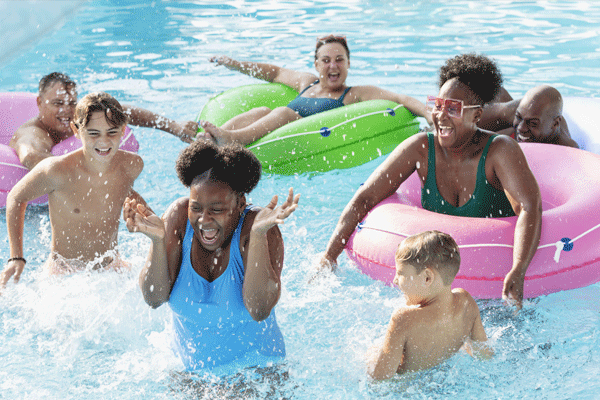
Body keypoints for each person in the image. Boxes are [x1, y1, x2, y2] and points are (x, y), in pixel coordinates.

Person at [319, 53, 542, 308]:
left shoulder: (499, 151)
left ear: (477, 115)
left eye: (453, 108)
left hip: (492, 285)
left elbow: (528, 207)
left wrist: (519, 269)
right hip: (436, 286)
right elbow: (366, 196)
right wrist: (329, 256)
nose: (441, 116)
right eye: (437, 105)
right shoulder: (421, 149)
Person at [123, 139, 300, 371]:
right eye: (196, 208)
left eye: (216, 210)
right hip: (190, 376)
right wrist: (156, 241)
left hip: (256, 373)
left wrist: (258, 236)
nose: (204, 220)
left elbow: (259, 310)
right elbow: (154, 298)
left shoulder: (258, 228)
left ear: (240, 203)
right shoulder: (178, 218)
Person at [1, 92, 147, 286]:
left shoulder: (131, 165)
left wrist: (142, 214)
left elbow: (120, 191)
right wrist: (16, 257)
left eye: (112, 132)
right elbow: (15, 197)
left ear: (122, 130)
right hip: (64, 271)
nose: (104, 141)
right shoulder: (57, 170)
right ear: (76, 130)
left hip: (111, 265)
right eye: (93, 133)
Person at [199, 35, 432, 145]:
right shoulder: (306, 82)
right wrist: (234, 64)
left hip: (299, 138)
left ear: (348, 64)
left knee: (283, 113)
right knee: (263, 109)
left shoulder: (353, 94)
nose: (333, 66)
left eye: (340, 59)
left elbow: (401, 98)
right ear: (316, 64)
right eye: (326, 60)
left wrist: (429, 115)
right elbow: (274, 73)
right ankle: (212, 138)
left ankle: (231, 138)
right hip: (268, 133)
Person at [367, 231, 493, 380]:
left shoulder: (404, 319)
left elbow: (379, 379)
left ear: (427, 278)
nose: (395, 280)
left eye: (400, 273)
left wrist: (369, 360)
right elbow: (484, 354)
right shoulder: (466, 302)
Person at [9, 72, 199, 170]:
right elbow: (30, 156)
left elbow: (119, 110)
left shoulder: (76, 116)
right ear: (39, 102)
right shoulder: (34, 132)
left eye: (71, 103)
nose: (66, 111)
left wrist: (174, 126)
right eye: (58, 103)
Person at [479, 84, 578, 148]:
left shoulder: (566, 148)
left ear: (555, 124)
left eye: (533, 123)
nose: (521, 128)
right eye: (518, 118)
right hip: (511, 109)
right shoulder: (514, 113)